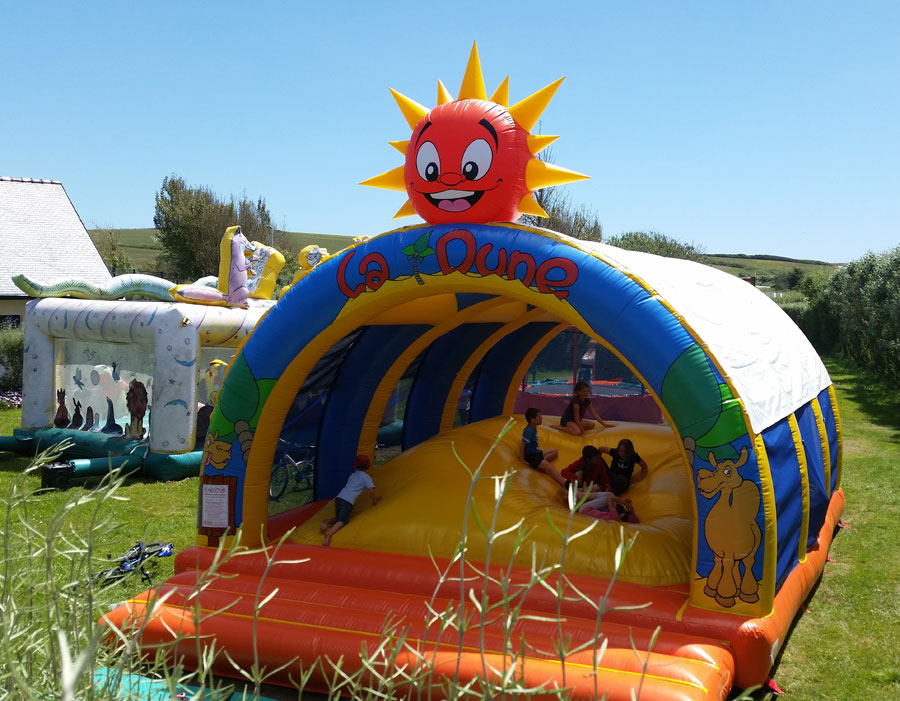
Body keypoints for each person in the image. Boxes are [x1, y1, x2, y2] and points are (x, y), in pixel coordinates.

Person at [320, 454, 381, 546]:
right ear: (368, 466)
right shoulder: (366, 477)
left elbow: (351, 488)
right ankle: (328, 535)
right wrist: (375, 501)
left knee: (338, 519)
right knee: (343, 521)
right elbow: (371, 490)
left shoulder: (352, 475)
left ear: (355, 465)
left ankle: (327, 521)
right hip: (347, 501)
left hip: (339, 498)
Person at [520, 408, 567, 488]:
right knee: (550, 468)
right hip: (532, 457)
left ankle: (540, 466)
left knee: (554, 451)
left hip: (536, 452)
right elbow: (523, 444)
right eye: (539, 417)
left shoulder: (533, 428)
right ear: (532, 420)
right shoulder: (528, 431)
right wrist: (522, 459)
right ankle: (565, 484)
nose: (542, 418)